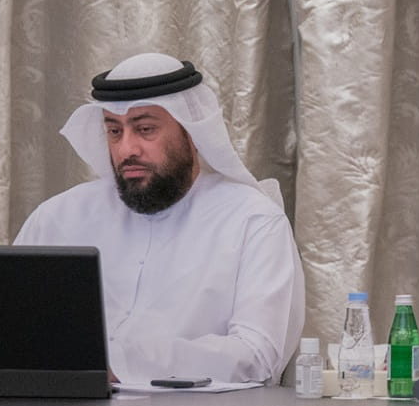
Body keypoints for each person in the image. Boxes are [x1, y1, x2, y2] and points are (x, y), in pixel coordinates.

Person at [15, 52, 305, 385]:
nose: (126, 149)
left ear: (191, 133)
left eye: (145, 129)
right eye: (114, 131)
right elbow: (9, 327)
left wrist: (119, 365)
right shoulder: (58, 218)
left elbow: (258, 356)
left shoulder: (253, 221)